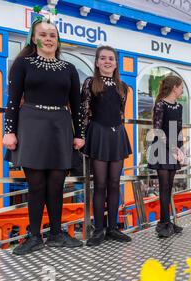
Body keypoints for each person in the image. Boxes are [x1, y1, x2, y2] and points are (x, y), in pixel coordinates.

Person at [2, 13, 84, 255]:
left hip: (60, 125)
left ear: (58, 41)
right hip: (31, 125)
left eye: (53, 35)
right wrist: (10, 131)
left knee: (57, 183)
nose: (48, 39)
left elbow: (76, 105)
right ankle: (34, 235)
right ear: (34, 39)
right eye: (43, 35)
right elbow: (13, 101)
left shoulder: (69, 68)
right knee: (36, 184)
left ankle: (57, 233)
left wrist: (79, 134)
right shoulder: (22, 65)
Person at [81, 46, 133, 246]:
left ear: (116, 63)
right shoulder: (90, 83)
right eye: (102, 58)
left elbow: (120, 113)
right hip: (98, 133)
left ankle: (113, 228)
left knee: (114, 183)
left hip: (117, 133)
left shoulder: (123, 85)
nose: (107, 61)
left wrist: (116, 129)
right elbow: (84, 112)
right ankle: (98, 229)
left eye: (111, 58)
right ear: (96, 62)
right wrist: (83, 137)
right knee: (100, 184)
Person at [147, 75, 185, 238]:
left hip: (173, 150)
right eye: (181, 87)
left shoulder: (179, 106)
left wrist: (181, 149)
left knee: (169, 187)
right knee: (163, 187)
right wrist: (172, 148)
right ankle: (162, 224)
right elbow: (157, 130)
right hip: (162, 149)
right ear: (175, 87)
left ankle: (167, 221)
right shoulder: (160, 105)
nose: (182, 89)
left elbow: (179, 129)